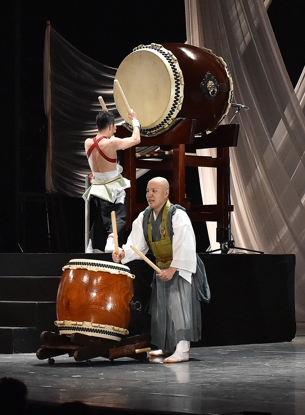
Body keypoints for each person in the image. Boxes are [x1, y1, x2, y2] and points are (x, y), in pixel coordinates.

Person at [111, 177, 210, 363]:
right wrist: (123, 254)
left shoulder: (177, 215)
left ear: (166, 193)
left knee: (180, 307)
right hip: (161, 267)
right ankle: (166, 347)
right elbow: (136, 245)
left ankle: (182, 350)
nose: (149, 195)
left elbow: (185, 245)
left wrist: (173, 269)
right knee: (163, 308)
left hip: (180, 267)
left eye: (154, 191)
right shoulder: (145, 216)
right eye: (147, 191)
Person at [83, 108, 141, 252]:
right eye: (114, 126)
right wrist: (135, 120)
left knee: (101, 218)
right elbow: (136, 139)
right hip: (111, 186)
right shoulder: (111, 143)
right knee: (120, 215)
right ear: (110, 126)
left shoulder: (88, 142)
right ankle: (111, 239)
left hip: (97, 187)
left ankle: (93, 246)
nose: (115, 129)